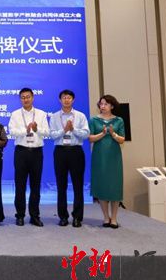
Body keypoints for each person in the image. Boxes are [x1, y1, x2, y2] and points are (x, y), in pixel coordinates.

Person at [8, 88, 49, 227]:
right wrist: (24, 130)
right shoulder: (15, 114)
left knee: (35, 186)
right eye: (23, 97)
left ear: (33, 98)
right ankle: (20, 215)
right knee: (20, 185)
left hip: (36, 152)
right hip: (21, 152)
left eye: (28, 97)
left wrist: (36, 129)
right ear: (20, 99)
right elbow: (12, 131)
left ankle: (34, 216)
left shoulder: (41, 114)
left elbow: (47, 132)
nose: (25, 99)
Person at [49, 89, 90, 228]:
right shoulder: (54, 116)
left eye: (69, 98)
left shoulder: (80, 116)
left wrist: (73, 130)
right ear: (60, 100)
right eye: (64, 98)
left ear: (73, 100)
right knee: (61, 185)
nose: (66, 100)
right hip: (60, 151)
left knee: (78, 185)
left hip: (76, 151)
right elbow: (52, 135)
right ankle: (63, 216)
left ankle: (77, 217)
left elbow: (86, 134)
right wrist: (64, 130)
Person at [89, 94, 125, 229]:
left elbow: (122, 139)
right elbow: (90, 138)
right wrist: (103, 134)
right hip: (99, 156)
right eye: (101, 104)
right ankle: (105, 217)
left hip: (114, 156)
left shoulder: (119, 120)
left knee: (115, 185)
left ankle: (114, 218)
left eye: (105, 104)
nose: (102, 106)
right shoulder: (93, 120)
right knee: (102, 185)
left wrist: (113, 134)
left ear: (112, 106)